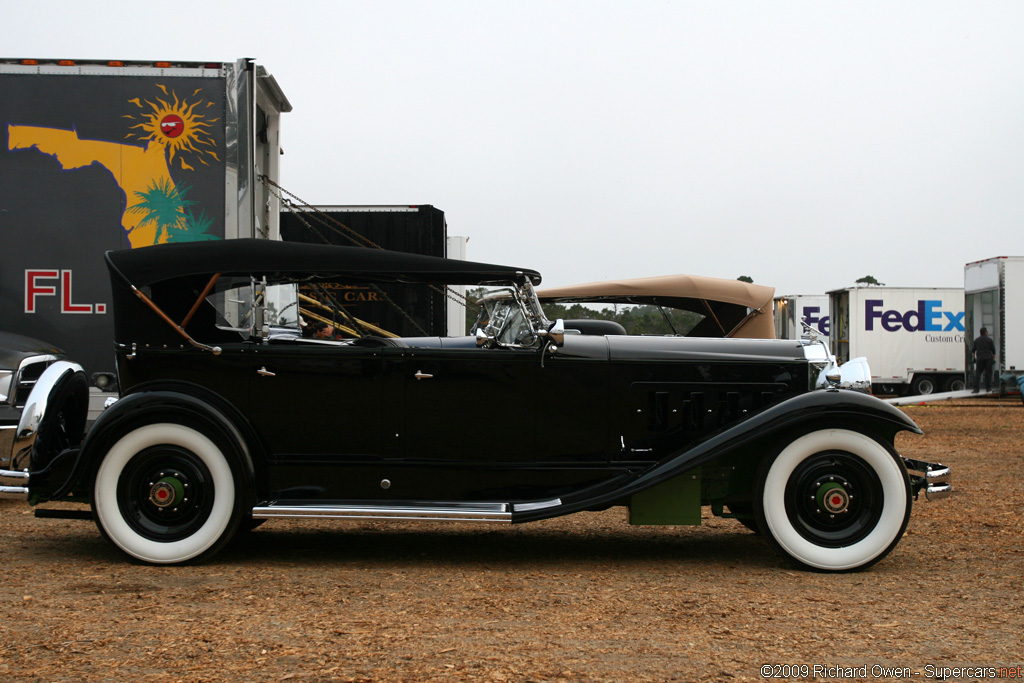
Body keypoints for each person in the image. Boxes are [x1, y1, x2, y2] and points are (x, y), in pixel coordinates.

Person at [971, 327, 997, 393]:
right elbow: (993, 351)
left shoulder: (976, 340)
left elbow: (973, 351)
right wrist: (994, 359)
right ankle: (988, 388)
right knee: (988, 374)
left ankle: (976, 389)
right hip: (988, 359)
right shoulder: (989, 340)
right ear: (986, 332)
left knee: (978, 374)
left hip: (980, 359)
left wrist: (973, 359)